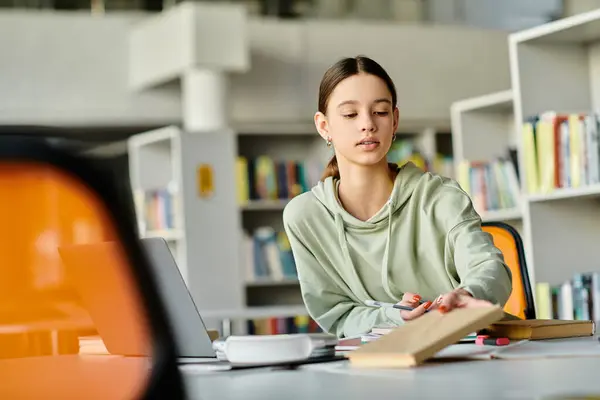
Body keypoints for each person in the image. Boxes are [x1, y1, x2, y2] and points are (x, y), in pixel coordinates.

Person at [282, 55, 513, 339]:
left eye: (380, 112)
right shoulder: (305, 216)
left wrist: (469, 293)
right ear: (323, 126)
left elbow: (488, 267)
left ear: (395, 121)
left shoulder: (441, 197)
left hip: (464, 348)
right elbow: (337, 314)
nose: (367, 124)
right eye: (350, 114)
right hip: (377, 364)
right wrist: (395, 316)